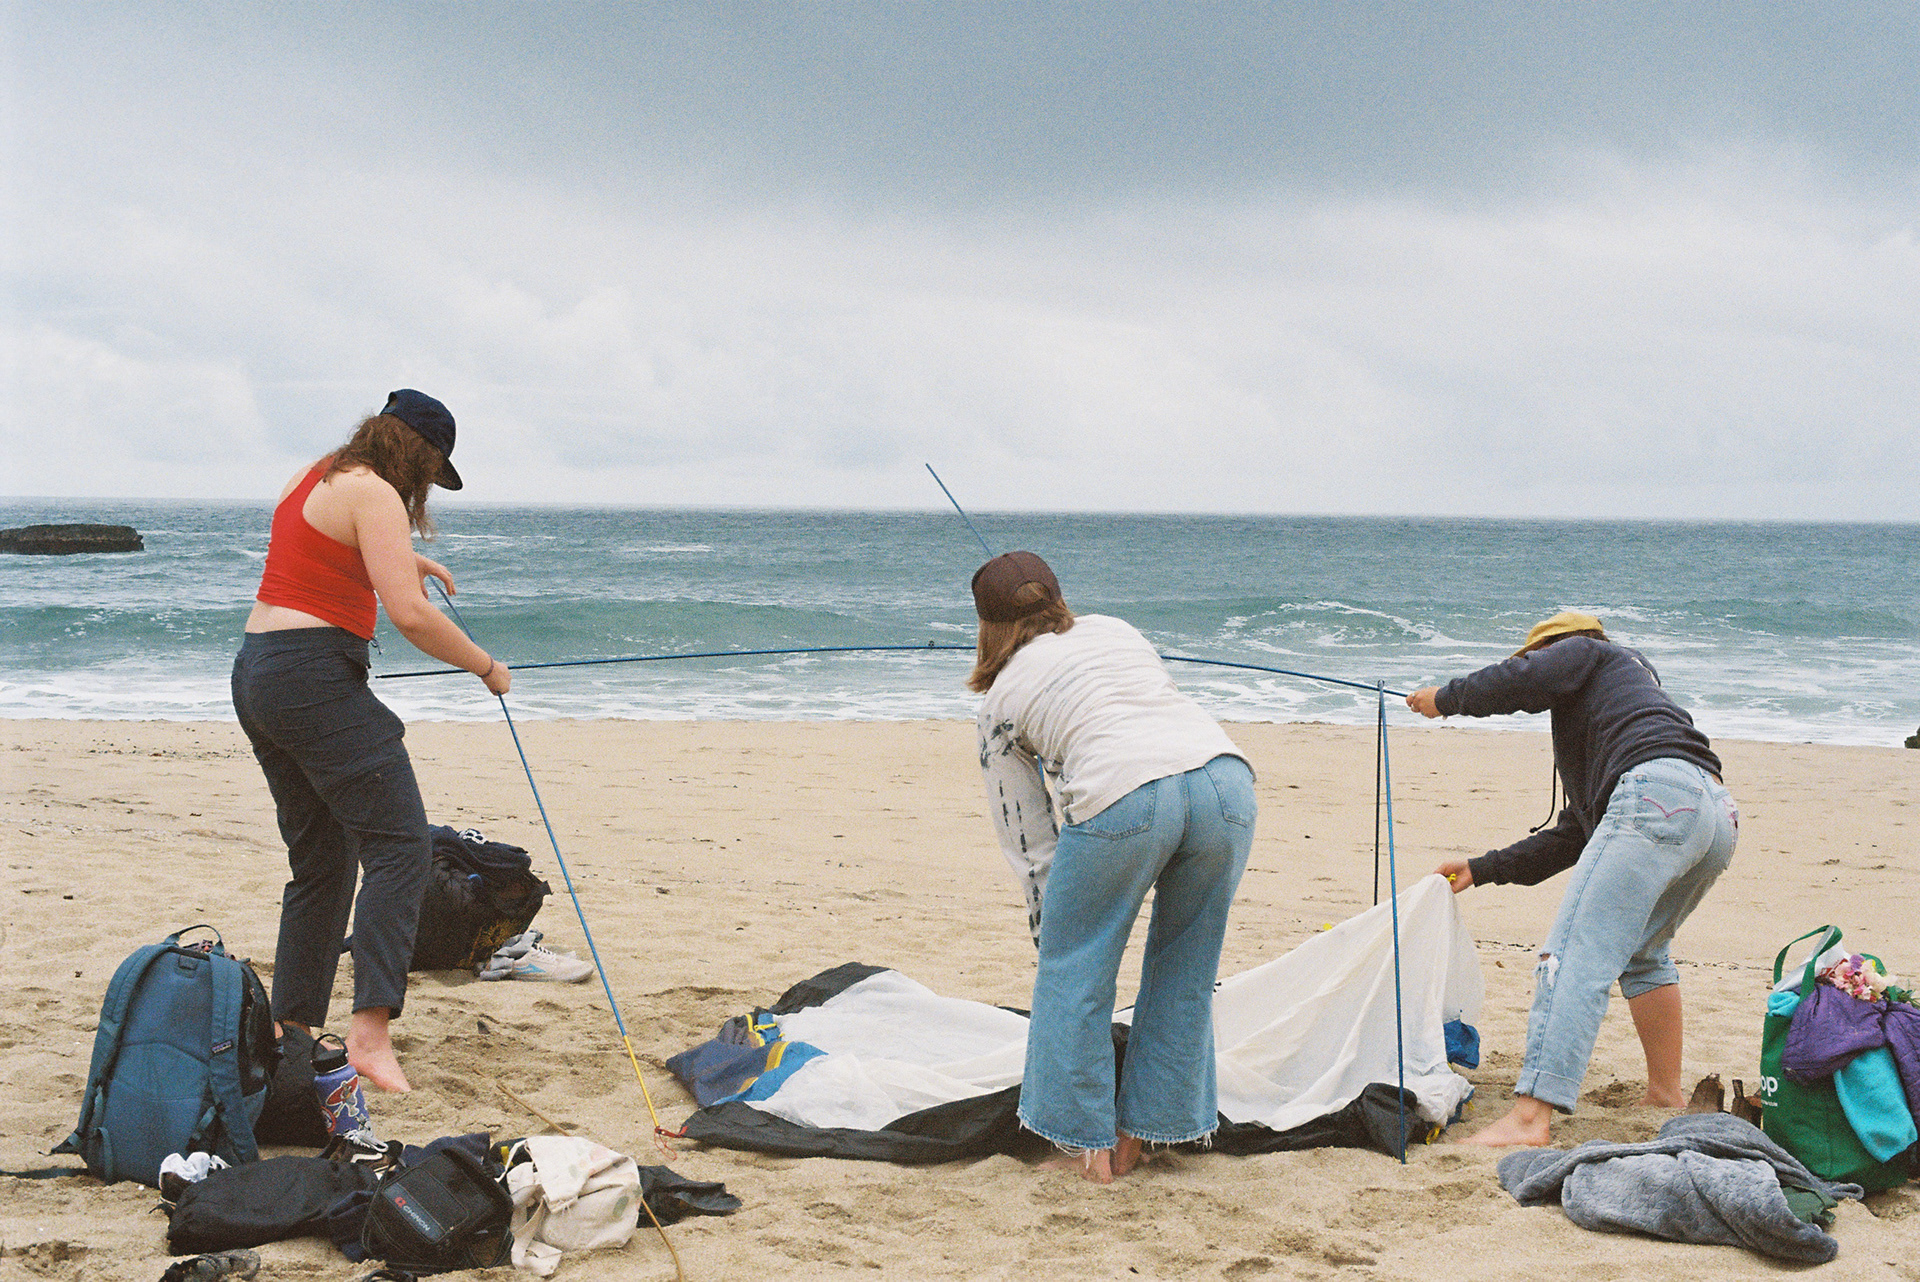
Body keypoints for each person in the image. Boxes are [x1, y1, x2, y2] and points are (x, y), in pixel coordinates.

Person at [231, 390, 510, 1093]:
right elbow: (412, 619)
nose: (423, 492)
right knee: (400, 844)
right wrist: (485, 666)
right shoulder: (377, 493)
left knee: (324, 861)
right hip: (313, 677)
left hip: (260, 675)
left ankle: (291, 1034)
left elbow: (318, 561)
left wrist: (403, 561)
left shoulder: (320, 475)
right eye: (431, 472)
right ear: (420, 455)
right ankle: (370, 1031)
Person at [969, 551, 1257, 1184]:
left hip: (1125, 791)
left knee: (1075, 972)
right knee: (1186, 967)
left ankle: (1085, 1151)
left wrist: (1058, 936)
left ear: (986, 625)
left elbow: (1030, 840)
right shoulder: (1118, 629)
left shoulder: (998, 704)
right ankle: (1140, 1138)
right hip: (1226, 780)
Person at [1406, 611, 1737, 1147]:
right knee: (1645, 953)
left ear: (1556, 651)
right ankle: (1665, 1092)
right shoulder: (1621, 701)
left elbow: (1520, 681)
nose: (1537, 667)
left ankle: (1531, 1118)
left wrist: (1444, 700)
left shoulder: (1588, 652)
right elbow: (1578, 834)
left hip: (1657, 794)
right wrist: (1483, 869)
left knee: (1572, 956)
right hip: (1714, 812)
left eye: (1538, 659)